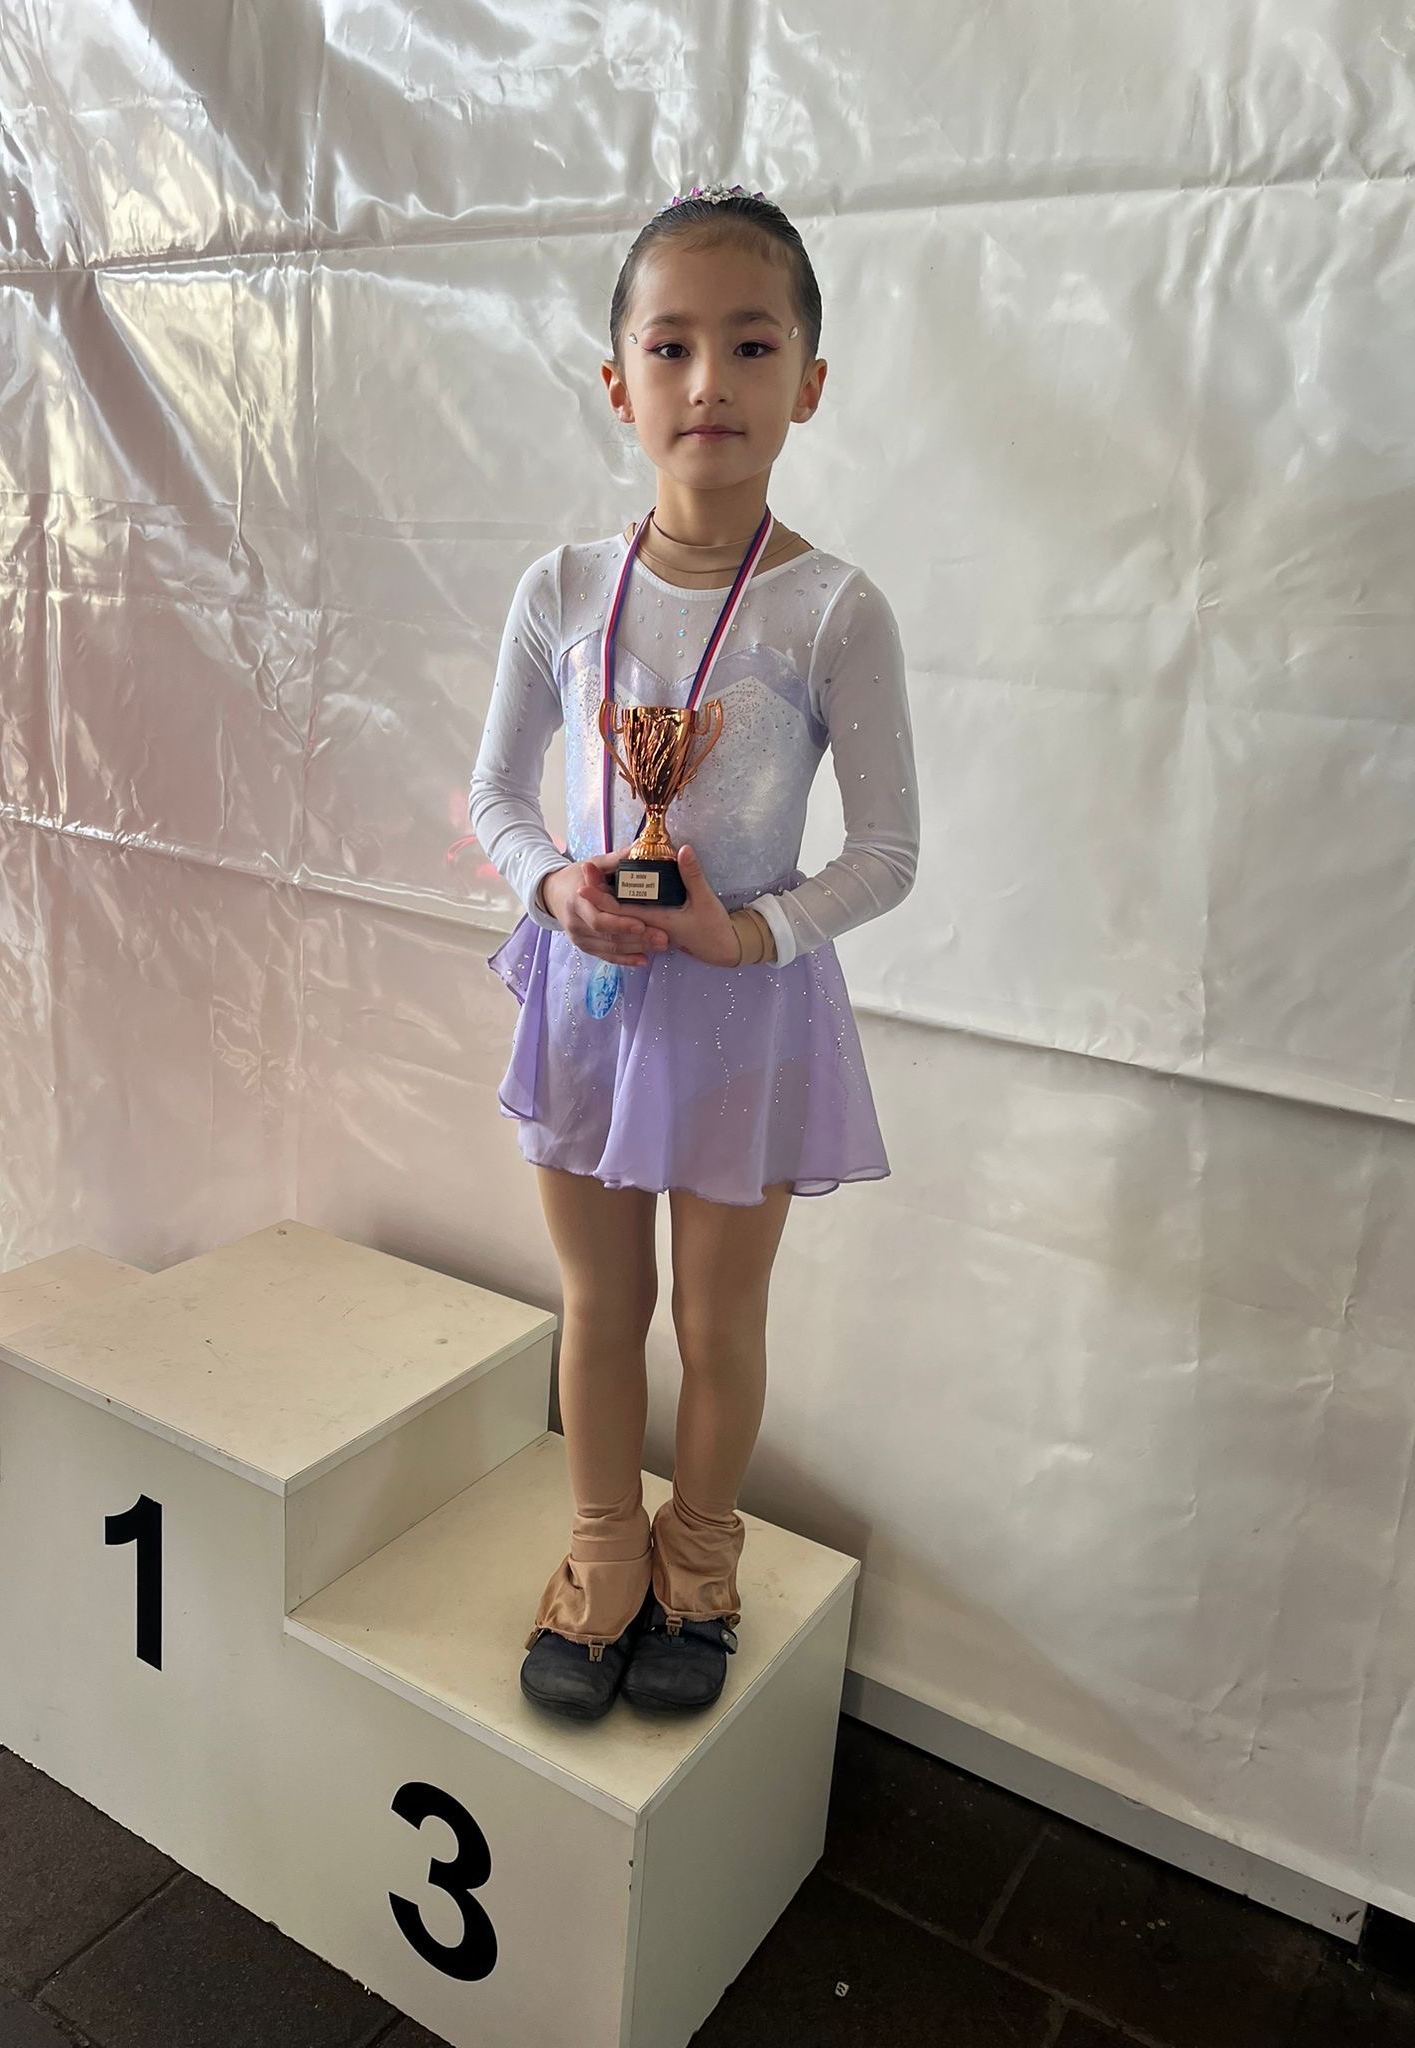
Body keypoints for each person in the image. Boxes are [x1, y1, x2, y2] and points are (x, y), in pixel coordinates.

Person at [467, 181, 920, 1722]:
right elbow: (492, 793)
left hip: (745, 1020)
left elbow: (888, 852)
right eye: (671, 346)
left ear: (810, 381)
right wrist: (553, 888)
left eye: (752, 344)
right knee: (602, 1309)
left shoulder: (834, 609)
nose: (709, 380)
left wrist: (752, 930)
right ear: (619, 382)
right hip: (589, 1002)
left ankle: (702, 1561)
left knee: (720, 1319)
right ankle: (605, 1548)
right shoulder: (560, 590)